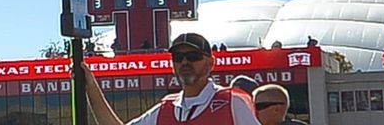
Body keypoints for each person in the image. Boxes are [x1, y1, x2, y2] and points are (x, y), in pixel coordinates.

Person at [83, 33, 261, 124]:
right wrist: (90, 86)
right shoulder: (165, 109)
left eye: (193, 56)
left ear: (210, 63)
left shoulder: (230, 102)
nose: (184, 62)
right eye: (177, 56)